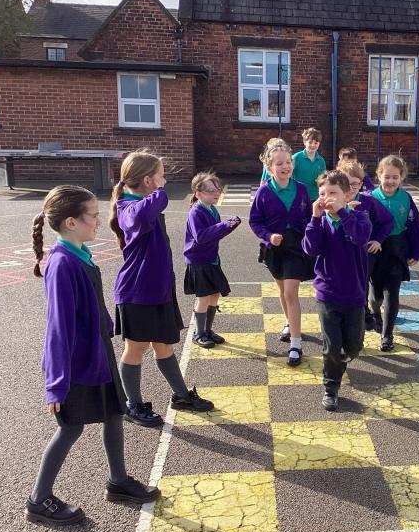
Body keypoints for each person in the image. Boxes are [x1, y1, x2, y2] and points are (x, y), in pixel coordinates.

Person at [27, 186, 158, 526]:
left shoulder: (80, 253)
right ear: (71, 222)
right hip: (75, 365)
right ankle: (38, 500)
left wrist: (105, 324)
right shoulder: (62, 263)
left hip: (98, 354)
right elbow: (59, 328)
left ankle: (118, 481)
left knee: (114, 413)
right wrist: (56, 384)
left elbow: (89, 305)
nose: (99, 222)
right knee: (70, 429)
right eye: (93, 216)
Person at [110, 150, 213, 428]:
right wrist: (158, 190)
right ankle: (132, 405)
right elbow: (148, 209)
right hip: (137, 291)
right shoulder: (127, 207)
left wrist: (155, 187)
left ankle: (181, 396)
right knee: (136, 348)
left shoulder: (143, 202)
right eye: (161, 176)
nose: (164, 181)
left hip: (157, 290)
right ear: (147, 181)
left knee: (163, 345)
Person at [302, 171, 372, 411]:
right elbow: (310, 248)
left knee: (353, 346)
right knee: (331, 346)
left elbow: (360, 237)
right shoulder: (320, 223)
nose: (326, 198)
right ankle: (331, 387)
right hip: (327, 294)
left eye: (332, 193)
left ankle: (342, 358)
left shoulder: (360, 217)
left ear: (347, 195)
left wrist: (343, 213)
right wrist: (314, 218)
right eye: (322, 193)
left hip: (354, 294)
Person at [249, 139, 314, 366]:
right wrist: (268, 236)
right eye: (279, 164)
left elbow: (309, 218)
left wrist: (312, 236)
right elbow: (255, 221)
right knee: (281, 288)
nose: (285, 166)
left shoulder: (302, 189)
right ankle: (289, 321)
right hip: (275, 248)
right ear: (269, 168)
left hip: (296, 247)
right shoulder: (264, 192)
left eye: (288, 162)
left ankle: (296, 344)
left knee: (290, 290)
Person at [368, 155, 419, 351]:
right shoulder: (370, 197)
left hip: (397, 248)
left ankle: (387, 335)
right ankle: (375, 312)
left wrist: (417, 251)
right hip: (375, 250)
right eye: (387, 177)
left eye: (395, 177)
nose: (390, 181)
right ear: (378, 175)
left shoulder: (406, 198)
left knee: (392, 293)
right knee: (376, 294)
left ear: (402, 177)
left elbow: (415, 226)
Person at [337, 160, 394, 341]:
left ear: (361, 184)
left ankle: (362, 322)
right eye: (346, 183)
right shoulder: (333, 202)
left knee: (360, 288)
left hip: (364, 255)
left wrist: (378, 239)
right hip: (340, 256)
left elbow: (388, 221)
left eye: (355, 184)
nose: (351, 188)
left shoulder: (368, 201)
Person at [183, 171, 241, 348]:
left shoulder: (212, 209)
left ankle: (208, 330)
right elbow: (201, 237)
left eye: (217, 189)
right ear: (198, 193)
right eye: (211, 190)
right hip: (199, 261)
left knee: (215, 293)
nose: (216, 193)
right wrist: (224, 225)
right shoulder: (196, 212)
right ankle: (199, 333)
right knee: (204, 297)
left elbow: (216, 233)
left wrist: (229, 226)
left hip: (212, 258)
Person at [291, 127, 327, 201]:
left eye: (316, 143)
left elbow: (323, 179)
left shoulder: (321, 160)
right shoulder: (296, 158)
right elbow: (289, 176)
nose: (313, 145)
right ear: (304, 142)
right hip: (299, 196)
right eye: (310, 142)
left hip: (315, 197)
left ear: (319, 144)